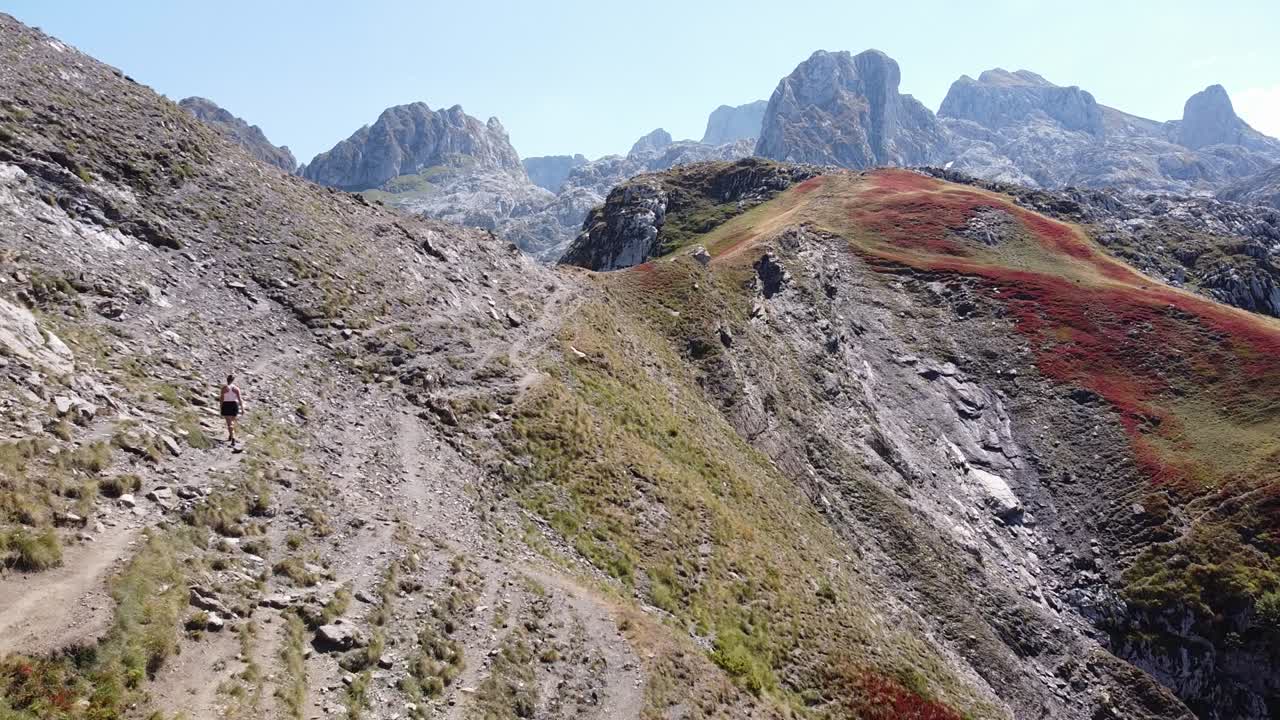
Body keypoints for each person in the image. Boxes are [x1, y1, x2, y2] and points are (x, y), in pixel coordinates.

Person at [219, 374, 243, 444]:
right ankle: (231, 435)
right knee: (232, 421)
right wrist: (242, 408)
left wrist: (221, 407)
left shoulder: (224, 388)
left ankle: (232, 436)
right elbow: (240, 399)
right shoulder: (236, 389)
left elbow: (221, 399)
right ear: (233, 380)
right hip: (234, 405)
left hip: (226, 404)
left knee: (229, 422)